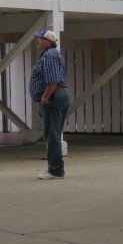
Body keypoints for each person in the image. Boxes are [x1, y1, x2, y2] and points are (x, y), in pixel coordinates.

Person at [29, 29, 69, 179]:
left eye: (40, 38)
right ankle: (55, 169)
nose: (37, 41)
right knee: (53, 134)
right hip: (57, 96)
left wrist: (45, 98)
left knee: (52, 136)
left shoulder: (50, 56)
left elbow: (52, 81)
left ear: (48, 41)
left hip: (53, 98)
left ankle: (56, 170)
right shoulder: (51, 55)